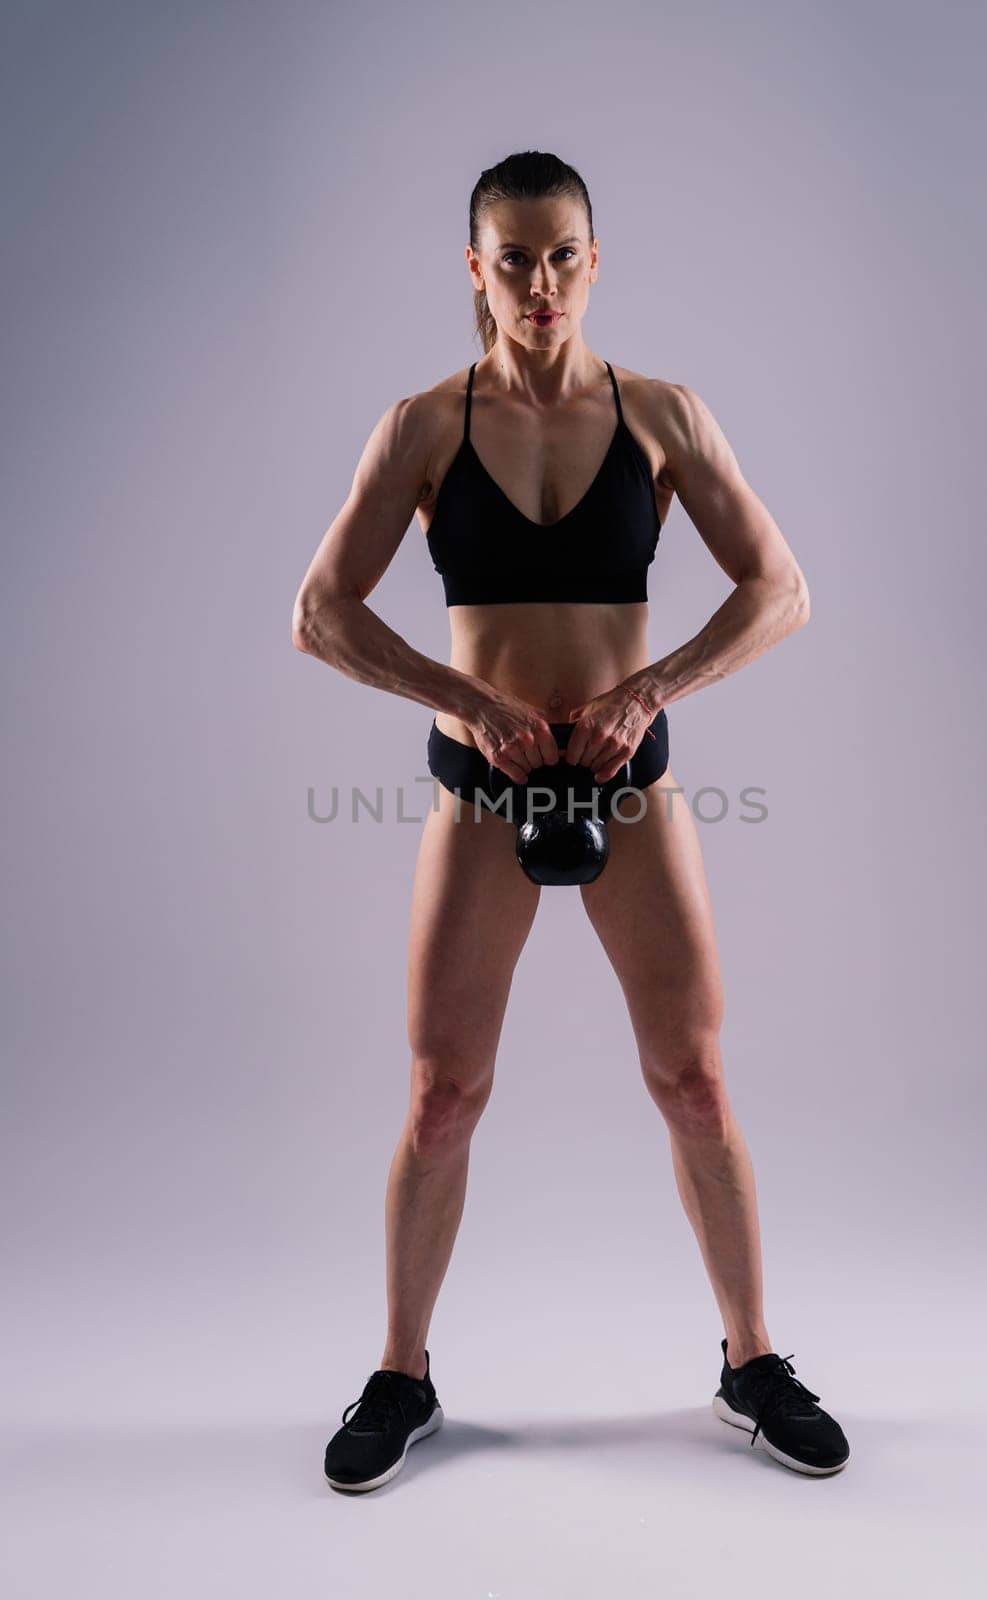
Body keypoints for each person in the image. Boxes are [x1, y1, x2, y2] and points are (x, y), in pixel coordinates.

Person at [292, 150, 849, 1492]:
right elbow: (322, 611)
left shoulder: (662, 416)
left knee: (695, 1081)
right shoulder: (424, 425)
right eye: (512, 257)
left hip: (630, 777)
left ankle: (752, 1359)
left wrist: (652, 684)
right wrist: (456, 698)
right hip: (480, 787)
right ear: (473, 269)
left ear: (594, 263)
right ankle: (402, 1374)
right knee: (442, 1096)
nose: (538, 281)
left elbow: (780, 590)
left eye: (561, 255)